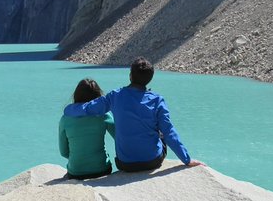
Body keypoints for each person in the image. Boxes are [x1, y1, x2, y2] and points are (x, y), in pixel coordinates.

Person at [64, 58, 202, 172]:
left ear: (130, 75)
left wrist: (69, 110)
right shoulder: (157, 100)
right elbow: (169, 132)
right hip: (152, 161)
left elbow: (89, 108)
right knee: (161, 131)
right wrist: (187, 159)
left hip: (125, 164)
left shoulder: (115, 96)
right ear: (150, 79)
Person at [59, 78, 115, 179]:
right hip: (101, 169)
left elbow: (63, 152)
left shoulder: (65, 118)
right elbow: (120, 138)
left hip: (75, 172)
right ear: (98, 96)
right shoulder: (104, 115)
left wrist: (80, 159)